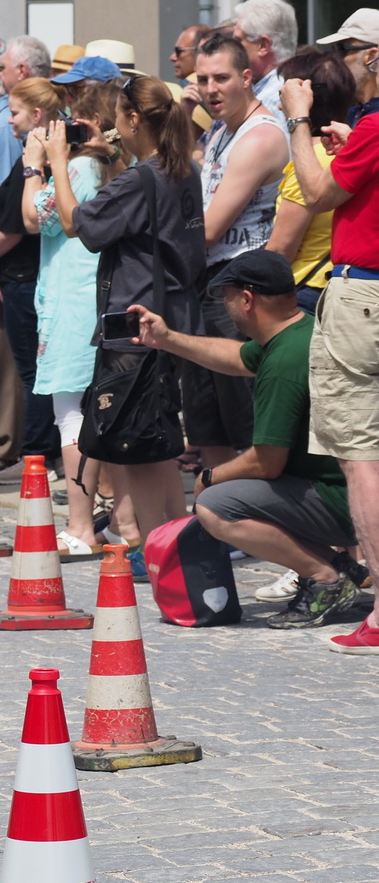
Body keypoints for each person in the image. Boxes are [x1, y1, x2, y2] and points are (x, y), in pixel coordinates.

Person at [131, 250, 364, 627]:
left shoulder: (284, 363)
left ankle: (326, 580)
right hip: (342, 487)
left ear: (246, 299)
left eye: (226, 297)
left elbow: (266, 463)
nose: (226, 306)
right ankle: (339, 570)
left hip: (343, 499)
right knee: (227, 493)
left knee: (216, 506)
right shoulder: (299, 330)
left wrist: (209, 477)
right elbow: (238, 357)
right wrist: (168, 338)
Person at [52, 75, 205, 551]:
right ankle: (179, 544)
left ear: (134, 119)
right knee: (160, 442)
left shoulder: (143, 178)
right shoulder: (183, 170)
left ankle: (150, 547)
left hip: (133, 326)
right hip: (172, 318)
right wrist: (114, 153)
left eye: (120, 118)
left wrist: (57, 161)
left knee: (134, 448)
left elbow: (76, 224)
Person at [277, 9, 379, 652]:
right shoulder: (367, 129)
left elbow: (313, 194)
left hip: (362, 290)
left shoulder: (374, 124)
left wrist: (297, 121)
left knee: (361, 455)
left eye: (347, 51)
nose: (335, 63)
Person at [23, 85, 118, 555]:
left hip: (73, 300)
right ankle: (122, 521)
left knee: (72, 415)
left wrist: (35, 164)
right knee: (109, 412)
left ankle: (80, 526)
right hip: (96, 295)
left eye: (72, 123)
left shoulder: (79, 167)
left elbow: (32, 214)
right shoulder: (116, 166)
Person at [189, 30, 289, 469]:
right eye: (204, 79)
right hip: (211, 282)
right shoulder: (219, 129)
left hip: (241, 283)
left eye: (222, 78)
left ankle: (256, 525)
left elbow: (209, 228)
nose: (212, 89)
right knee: (206, 417)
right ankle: (216, 520)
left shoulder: (259, 135)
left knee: (244, 416)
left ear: (247, 77)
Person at [0, 77, 64, 475]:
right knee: (34, 371)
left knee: (34, 373)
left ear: (38, 114)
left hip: (27, 276)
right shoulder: (29, 154)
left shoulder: (38, 160)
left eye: (14, 112)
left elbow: (15, 226)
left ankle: (38, 454)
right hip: (15, 274)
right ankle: (42, 451)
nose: (8, 121)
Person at [264, 49, 352, 316]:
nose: (280, 105)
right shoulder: (351, 152)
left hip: (304, 293)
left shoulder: (309, 164)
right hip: (335, 287)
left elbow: (280, 250)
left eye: (286, 97)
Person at [231, 0, 298, 114]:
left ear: (263, 46)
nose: (232, 48)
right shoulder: (286, 87)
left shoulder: (273, 101)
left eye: (238, 41)